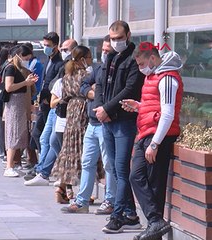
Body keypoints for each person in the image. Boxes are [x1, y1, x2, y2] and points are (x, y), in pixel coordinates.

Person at [126, 43, 183, 240]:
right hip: (147, 132)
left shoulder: (167, 78)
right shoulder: (153, 76)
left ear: (152, 58)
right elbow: (155, 106)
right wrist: (139, 107)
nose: (141, 67)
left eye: (142, 63)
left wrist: (155, 143)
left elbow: (167, 113)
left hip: (158, 136)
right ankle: (155, 223)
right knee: (138, 176)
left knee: (153, 182)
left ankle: (155, 227)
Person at [93, 20, 145, 233]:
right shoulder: (110, 57)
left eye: (119, 38)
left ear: (128, 36)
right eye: (112, 39)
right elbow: (100, 84)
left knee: (122, 170)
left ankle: (117, 216)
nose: (116, 42)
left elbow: (131, 89)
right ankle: (131, 214)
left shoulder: (134, 59)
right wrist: (99, 108)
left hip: (123, 121)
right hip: (107, 121)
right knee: (113, 169)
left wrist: (107, 108)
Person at [61, 35, 116, 214]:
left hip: (105, 122)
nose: (104, 54)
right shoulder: (98, 69)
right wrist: (92, 92)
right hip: (92, 122)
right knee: (87, 162)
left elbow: (114, 93)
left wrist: (97, 94)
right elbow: (84, 85)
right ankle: (82, 200)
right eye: (103, 50)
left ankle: (110, 200)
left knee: (108, 163)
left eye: (108, 51)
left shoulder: (117, 70)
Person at [51, 46, 91, 203]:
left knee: (68, 150)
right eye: (88, 58)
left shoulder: (67, 76)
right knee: (83, 151)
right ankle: (83, 190)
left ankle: (61, 188)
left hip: (70, 113)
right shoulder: (85, 75)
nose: (90, 61)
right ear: (83, 59)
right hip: (83, 111)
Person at [3, 46, 38, 177]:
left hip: (20, 104)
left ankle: (12, 165)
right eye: (25, 58)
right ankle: (9, 166)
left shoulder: (19, 69)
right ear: (18, 55)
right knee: (13, 133)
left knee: (18, 133)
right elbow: (9, 87)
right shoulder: (11, 68)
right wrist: (25, 82)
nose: (26, 61)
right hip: (15, 104)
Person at [30, 32, 64, 154]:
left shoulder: (59, 63)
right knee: (37, 134)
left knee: (45, 136)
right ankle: (43, 161)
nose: (45, 47)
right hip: (43, 102)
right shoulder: (48, 60)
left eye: (48, 45)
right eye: (44, 44)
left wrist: (48, 98)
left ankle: (46, 163)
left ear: (55, 46)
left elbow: (56, 84)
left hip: (50, 103)